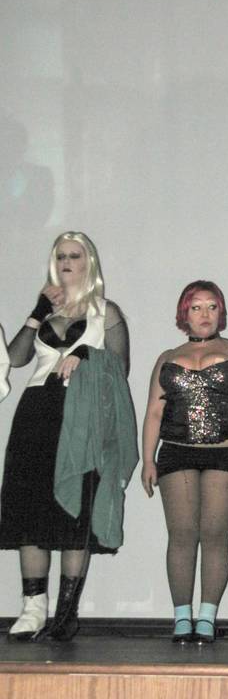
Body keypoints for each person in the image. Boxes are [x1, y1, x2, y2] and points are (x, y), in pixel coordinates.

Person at [1, 231, 135, 642]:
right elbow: (17, 358)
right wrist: (37, 312)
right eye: (60, 255)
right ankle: (32, 609)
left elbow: (121, 369)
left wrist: (86, 354)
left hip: (82, 417)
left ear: (88, 261)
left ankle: (66, 612)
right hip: (36, 412)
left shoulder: (105, 312)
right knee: (31, 512)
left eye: (74, 255)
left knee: (74, 512)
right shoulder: (46, 312)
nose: (66, 262)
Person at [141, 280, 228, 643]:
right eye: (196, 307)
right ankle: (181, 617)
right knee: (181, 536)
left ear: (221, 311)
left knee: (215, 535)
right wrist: (147, 460)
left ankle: (207, 617)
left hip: (226, 451)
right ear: (185, 314)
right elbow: (153, 412)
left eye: (212, 306)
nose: (205, 314)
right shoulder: (167, 357)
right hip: (176, 451)